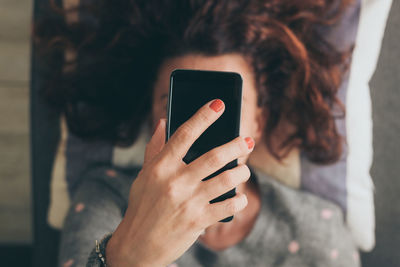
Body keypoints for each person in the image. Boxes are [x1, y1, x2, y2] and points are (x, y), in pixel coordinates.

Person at [35, 0, 361, 266]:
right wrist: (129, 255)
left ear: (258, 125)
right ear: (153, 120)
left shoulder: (318, 231)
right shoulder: (106, 199)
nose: (201, 126)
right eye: (180, 106)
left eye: (224, 109)